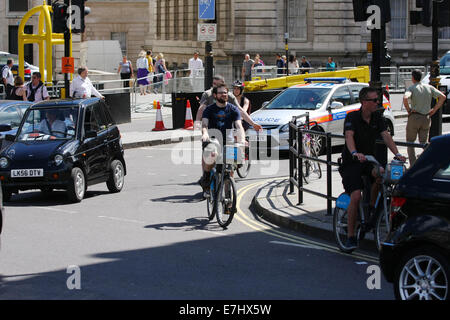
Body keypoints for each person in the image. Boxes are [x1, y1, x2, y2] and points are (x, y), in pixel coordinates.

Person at [339, 87, 406, 250]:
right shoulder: (352, 117)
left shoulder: (378, 117)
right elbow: (349, 136)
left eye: (378, 100)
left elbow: (386, 136)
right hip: (352, 163)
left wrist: (397, 154)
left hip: (369, 161)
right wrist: (355, 152)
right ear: (364, 102)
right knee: (355, 196)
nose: (378, 103)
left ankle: (371, 207)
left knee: (381, 174)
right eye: (375, 100)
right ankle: (351, 236)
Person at [199, 84, 246, 198]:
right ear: (215, 95)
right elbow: (204, 124)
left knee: (230, 170)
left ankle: (228, 198)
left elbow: (239, 126)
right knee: (211, 155)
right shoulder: (209, 110)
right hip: (213, 139)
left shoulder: (233, 109)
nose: (224, 95)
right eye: (221, 93)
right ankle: (206, 178)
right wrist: (205, 133)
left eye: (225, 92)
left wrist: (243, 139)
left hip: (228, 141)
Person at [403, 69, 446, 167]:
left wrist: (408, 110)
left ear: (413, 78)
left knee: (410, 143)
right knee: (424, 143)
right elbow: (442, 96)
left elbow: (405, 98)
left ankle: (413, 165)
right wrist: (434, 110)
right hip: (426, 117)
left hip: (414, 116)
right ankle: (425, 162)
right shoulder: (429, 87)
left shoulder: (412, 88)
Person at [195, 75, 262, 132]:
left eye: (217, 84)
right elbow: (201, 109)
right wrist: (198, 122)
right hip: (211, 128)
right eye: (214, 84)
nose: (215, 86)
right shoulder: (207, 94)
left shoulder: (229, 96)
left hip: (226, 128)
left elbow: (240, 110)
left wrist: (253, 124)